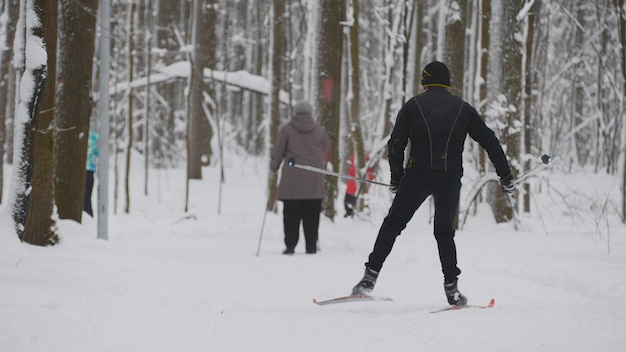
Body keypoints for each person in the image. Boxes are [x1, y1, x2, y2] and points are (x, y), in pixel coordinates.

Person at [351, 61, 516, 306]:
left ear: (424, 83)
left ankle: (368, 279)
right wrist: (505, 175)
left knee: (393, 224)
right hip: (448, 178)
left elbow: (396, 144)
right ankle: (452, 290)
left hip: (417, 174)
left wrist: (396, 178)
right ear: (448, 84)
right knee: (444, 232)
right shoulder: (463, 109)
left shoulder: (413, 106)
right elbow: (489, 140)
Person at [270, 100, 331, 255]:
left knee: (291, 213)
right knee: (312, 214)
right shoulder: (319, 130)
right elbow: (326, 146)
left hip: (292, 178)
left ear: (295, 113)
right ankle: (311, 246)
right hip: (314, 179)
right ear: (311, 113)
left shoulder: (286, 130)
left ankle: (290, 246)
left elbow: (278, 151)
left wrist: (274, 167)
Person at [344, 153, 375, 218]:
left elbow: (369, 174)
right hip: (353, 184)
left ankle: (351, 215)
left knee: (350, 202)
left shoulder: (363, 158)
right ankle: (350, 214)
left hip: (356, 185)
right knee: (349, 202)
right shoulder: (358, 156)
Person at [84, 129, 99, 217]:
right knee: (87, 199)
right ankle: (89, 219)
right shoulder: (95, 137)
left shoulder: (93, 137)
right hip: (90, 171)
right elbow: (97, 153)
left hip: (87, 171)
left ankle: (88, 221)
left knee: (85, 199)